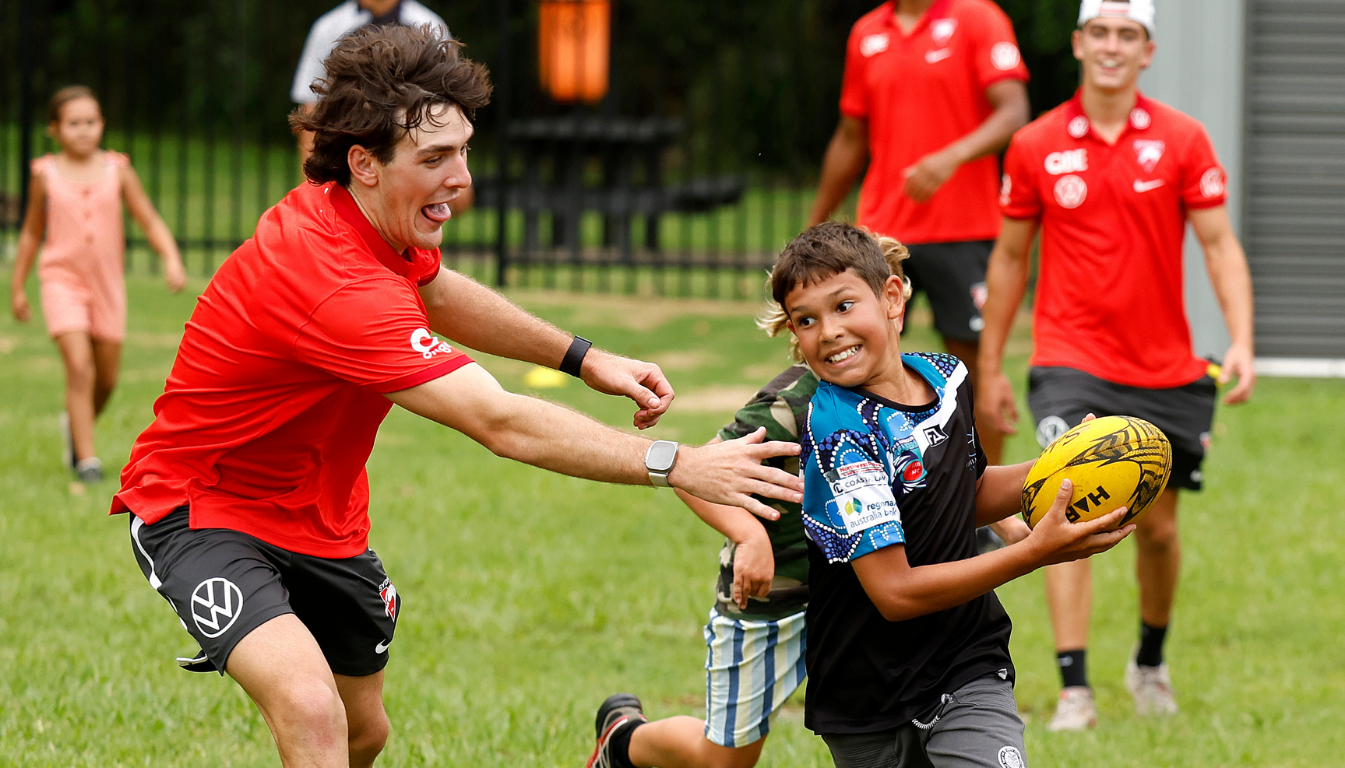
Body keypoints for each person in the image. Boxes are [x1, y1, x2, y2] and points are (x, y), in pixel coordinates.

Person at [113, 26, 803, 768]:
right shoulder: (330, 278)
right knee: (309, 707)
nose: (462, 178)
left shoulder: (363, 217)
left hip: (324, 517)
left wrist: (582, 357)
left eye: (465, 150)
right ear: (364, 163)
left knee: (361, 732)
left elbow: (432, 289)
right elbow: (500, 421)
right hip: (202, 506)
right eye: (436, 158)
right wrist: (678, 463)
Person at [586, 238, 1032, 768]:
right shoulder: (795, 406)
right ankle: (624, 741)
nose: (834, 329)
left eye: (846, 305)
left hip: (867, 598)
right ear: (795, 330)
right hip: (782, 588)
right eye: (809, 318)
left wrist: (1016, 504)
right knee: (723, 760)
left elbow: (944, 477)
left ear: (892, 298)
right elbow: (693, 473)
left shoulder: (927, 386)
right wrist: (750, 537)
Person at [975, 0, 1257, 731]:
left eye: (1127, 35)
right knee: (1070, 506)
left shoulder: (1182, 138)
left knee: (1157, 531)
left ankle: (1150, 664)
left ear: (1147, 51)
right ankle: (1074, 688)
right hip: (1071, 361)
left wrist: (1243, 340)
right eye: (1099, 32)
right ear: (1077, 43)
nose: (1111, 46)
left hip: (1165, 369)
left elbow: (1221, 246)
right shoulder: (1035, 143)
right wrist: (993, 364)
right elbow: (1009, 259)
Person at [807, 0, 1031, 467]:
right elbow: (851, 136)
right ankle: (882, 489)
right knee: (864, 366)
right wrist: (815, 225)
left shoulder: (978, 18)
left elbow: (1014, 111)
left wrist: (951, 156)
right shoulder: (867, 31)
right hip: (881, 236)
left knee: (975, 374)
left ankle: (986, 517)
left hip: (964, 229)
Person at [10, 85, 187, 484]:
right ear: (54, 129)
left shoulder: (117, 170)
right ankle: (87, 461)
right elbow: (30, 234)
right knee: (79, 365)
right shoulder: (46, 176)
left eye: (91, 122)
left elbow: (149, 218)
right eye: (73, 123)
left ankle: (74, 425)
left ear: (102, 125)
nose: (84, 130)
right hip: (61, 280)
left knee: (106, 379)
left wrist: (170, 257)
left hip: (107, 286)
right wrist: (18, 286)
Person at [291, 0, 448, 169]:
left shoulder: (430, 25)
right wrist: (312, 178)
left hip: (413, 150)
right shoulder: (328, 28)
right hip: (345, 153)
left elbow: (446, 99)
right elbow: (312, 105)